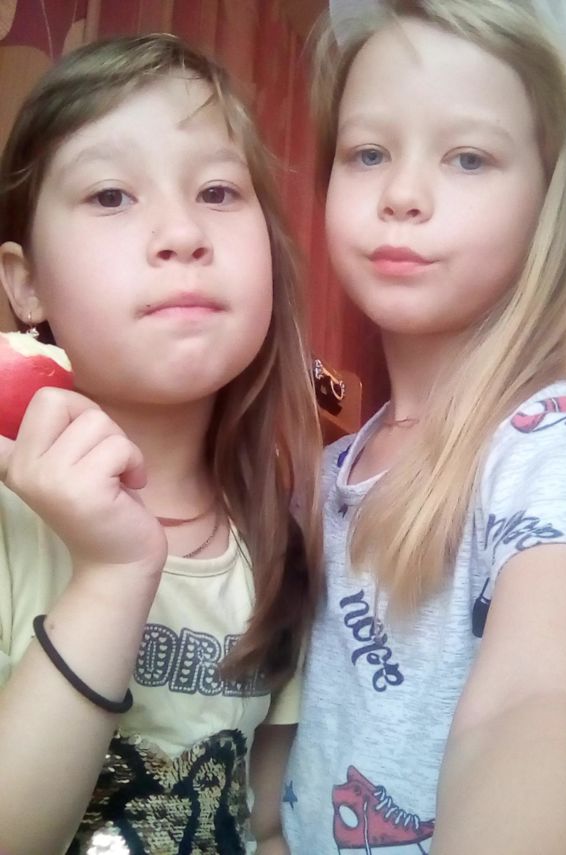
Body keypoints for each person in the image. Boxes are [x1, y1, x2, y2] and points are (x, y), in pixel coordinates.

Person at [283, 1, 566, 853]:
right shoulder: (334, 468)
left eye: (469, 157)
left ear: (548, 199)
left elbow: (535, 700)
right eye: (368, 153)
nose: (402, 195)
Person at [0, 33, 321, 855]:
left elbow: (266, 822)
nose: (182, 232)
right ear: (25, 282)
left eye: (218, 190)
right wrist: (112, 573)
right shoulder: (8, 519)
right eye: (111, 195)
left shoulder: (281, 539)